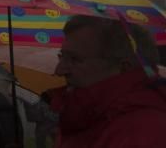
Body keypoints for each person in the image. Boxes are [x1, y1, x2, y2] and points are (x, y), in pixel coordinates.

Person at [48, 15, 166, 147]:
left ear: (123, 68)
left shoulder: (141, 131)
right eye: (62, 56)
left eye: (74, 59)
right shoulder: (85, 114)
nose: (59, 70)